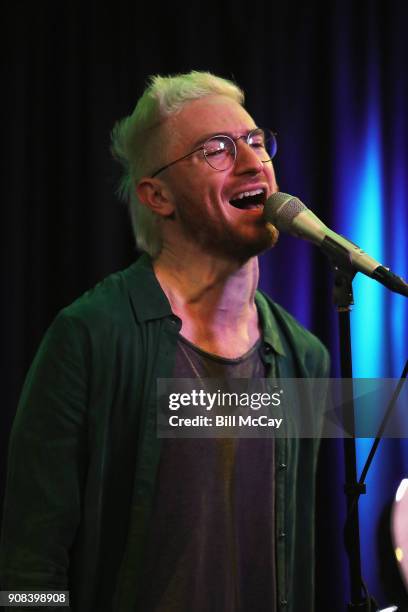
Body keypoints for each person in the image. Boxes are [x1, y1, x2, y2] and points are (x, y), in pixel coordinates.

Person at [0, 71, 330, 611]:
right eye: (216, 149)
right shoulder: (90, 337)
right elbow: (29, 559)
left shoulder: (303, 357)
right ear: (158, 196)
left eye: (254, 141)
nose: (253, 162)